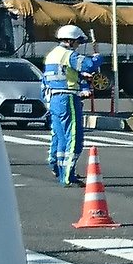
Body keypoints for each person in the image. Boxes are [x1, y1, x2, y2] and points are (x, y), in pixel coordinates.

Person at [42, 25, 102, 187]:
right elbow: (89, 64)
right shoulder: (69, 55)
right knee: (74, 137)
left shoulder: (52, 55)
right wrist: (97, 58)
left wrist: (81, 77)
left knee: (60, 137)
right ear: (70, 41)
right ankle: (68, 175)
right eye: (77, 42)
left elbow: (63, 74)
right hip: (68, 97)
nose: (78, 46)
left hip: (54, 98)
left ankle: (59, 168)